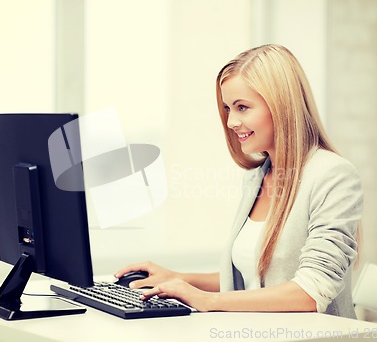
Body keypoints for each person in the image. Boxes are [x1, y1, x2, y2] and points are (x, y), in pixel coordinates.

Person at [115, 44, 363, 318]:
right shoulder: (258, 177)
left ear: (282, 106)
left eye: (242, 107)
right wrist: (179, 278)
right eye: (227, 108)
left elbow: (310, 292)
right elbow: (252, 280)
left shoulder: (332, 175)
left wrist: (207, 300)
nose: (231, 121)